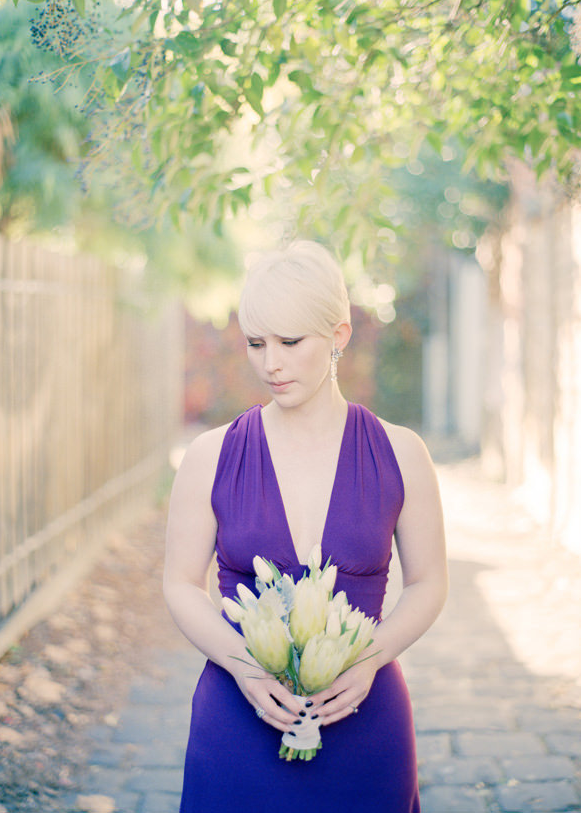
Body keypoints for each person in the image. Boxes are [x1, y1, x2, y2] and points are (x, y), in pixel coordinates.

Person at [164, 240, 448, 812]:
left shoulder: (402, 453)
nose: (271, 363)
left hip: (363, 714)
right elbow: (179, 583)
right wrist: (244, 667)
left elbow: (429, 583)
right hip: (240, 715)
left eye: (291, 342)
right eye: (256, 343)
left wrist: (370, 657)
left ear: (339, 335)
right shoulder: (210, 456)